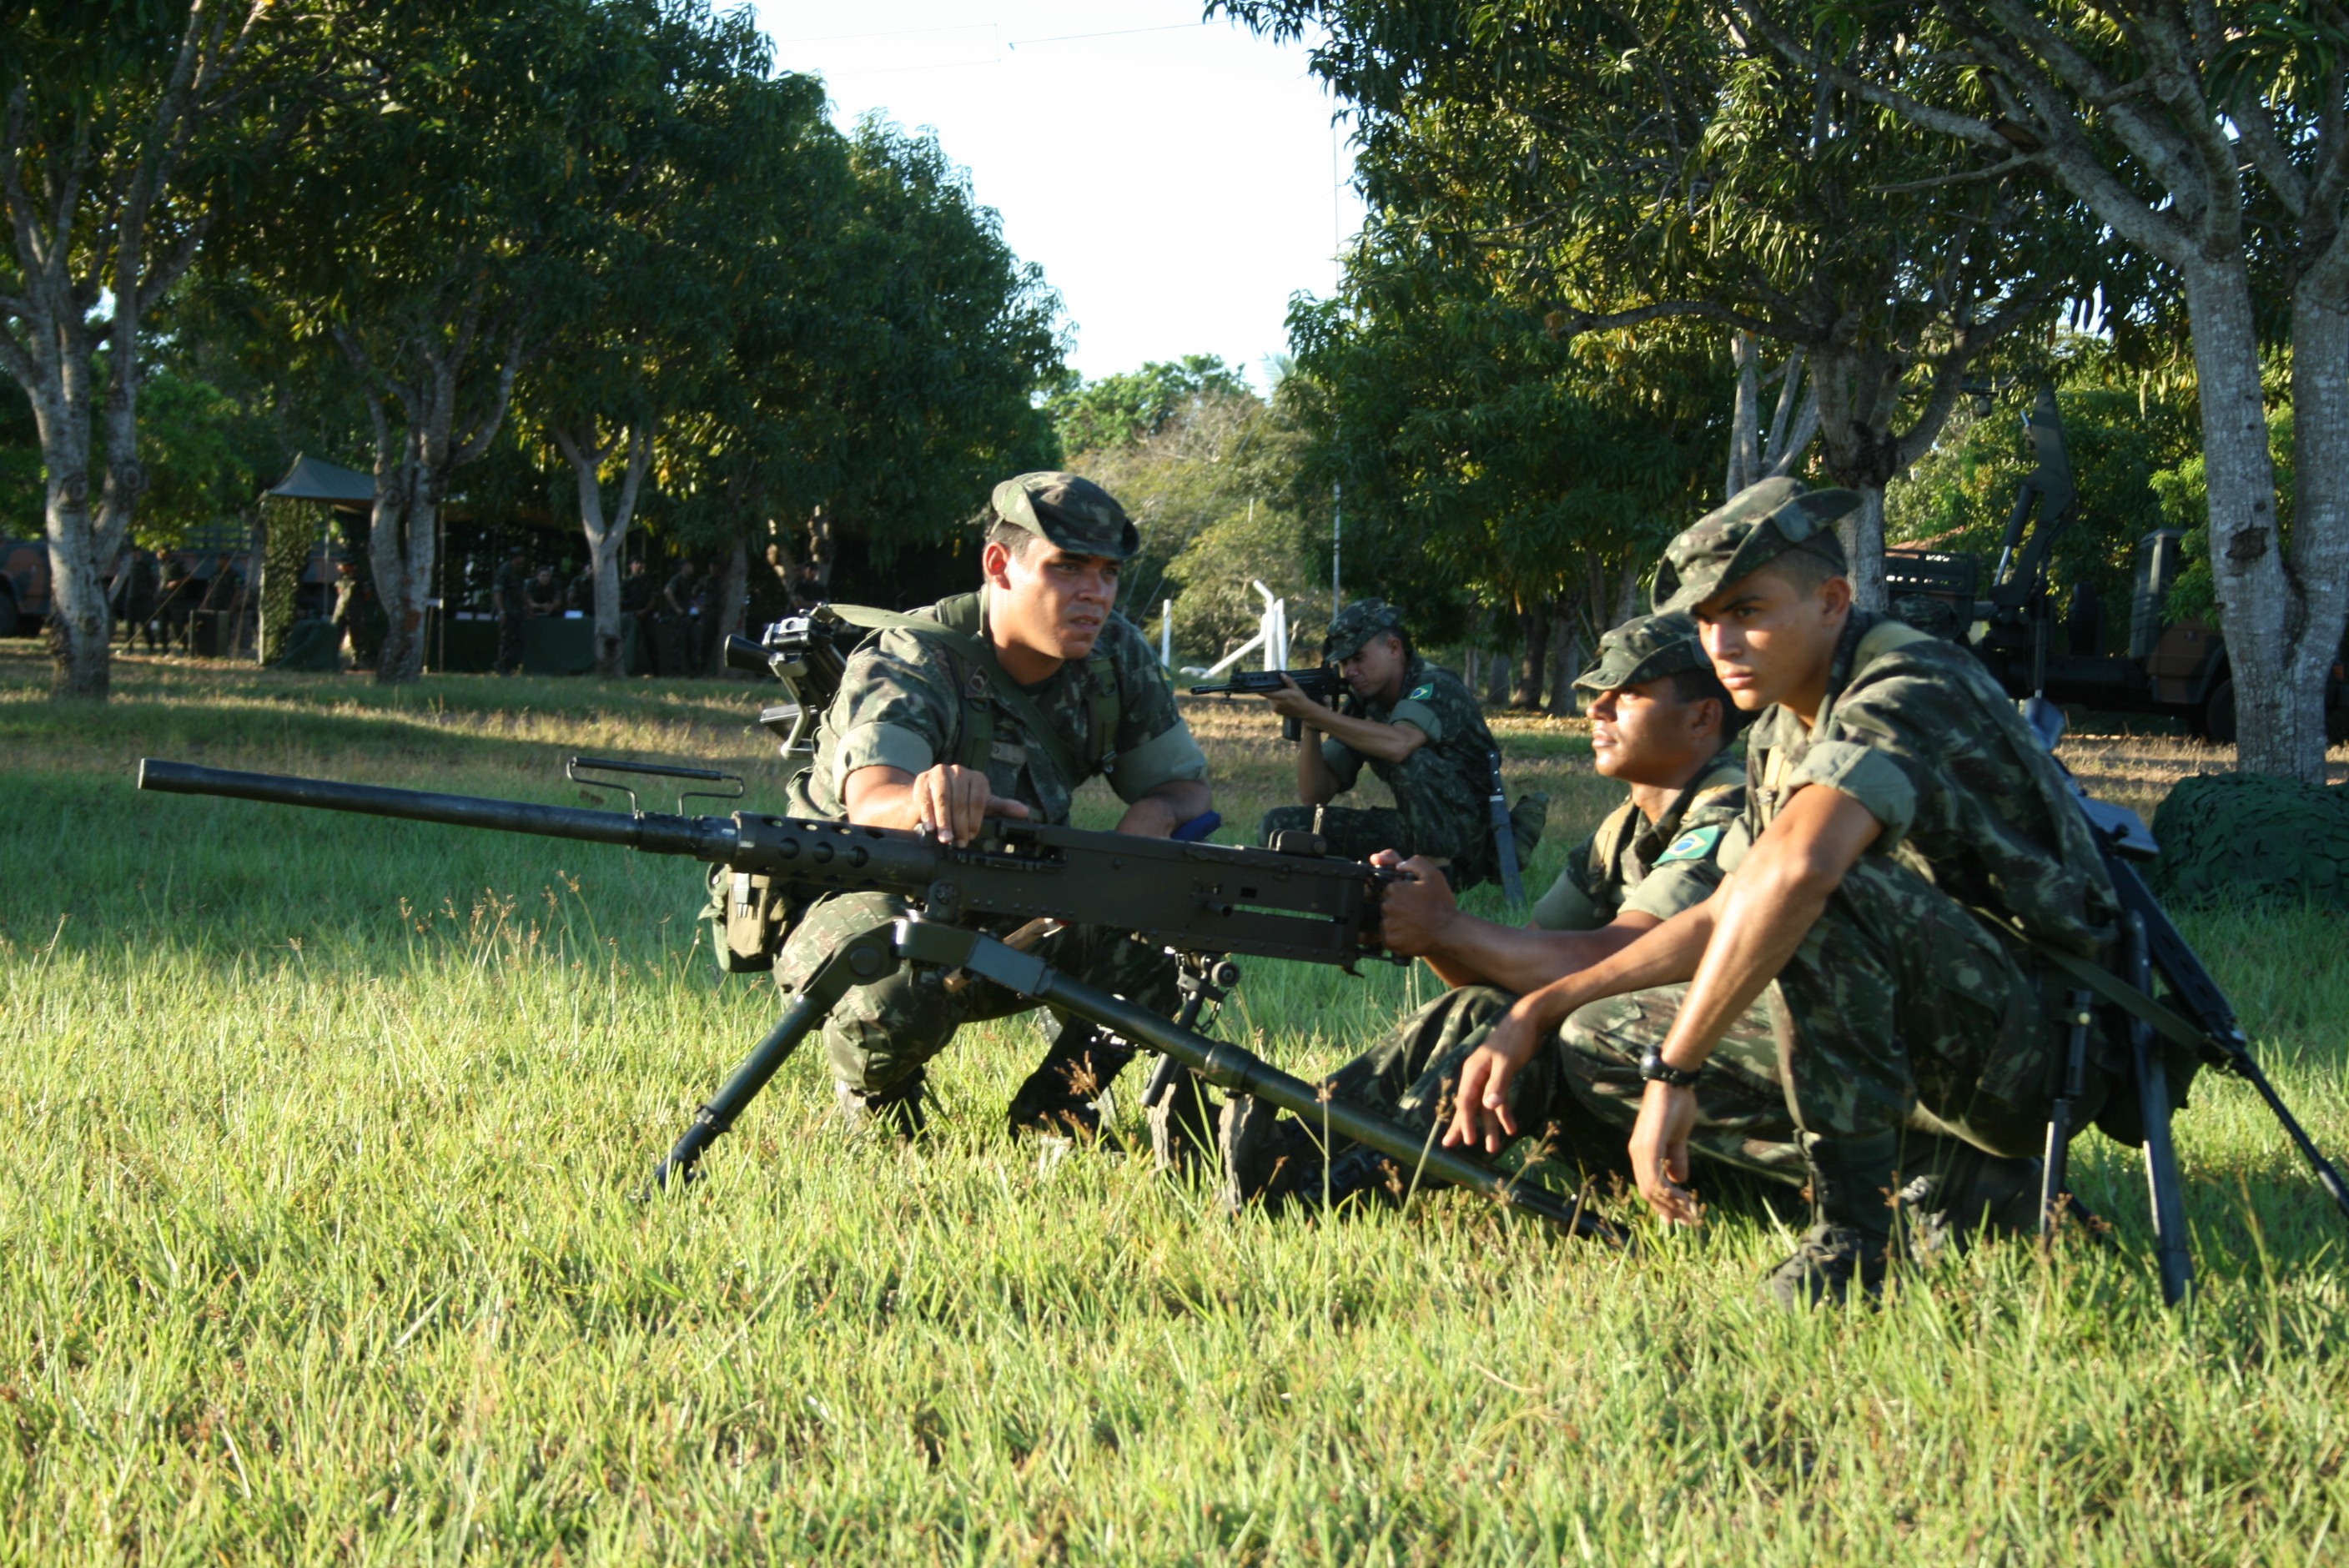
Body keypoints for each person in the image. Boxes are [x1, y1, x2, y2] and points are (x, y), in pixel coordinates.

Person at [1440, 478, 2119, 1307]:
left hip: (2045, 1046)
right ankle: (1952, 1181)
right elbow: (1719, 913)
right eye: (1703, 617)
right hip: (1944, 1023)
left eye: (1748, 609)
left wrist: (1677, 1071)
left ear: (1832, 601)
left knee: (1805, 892)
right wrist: (1543, 1004)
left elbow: (1794, 873)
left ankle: (1852, 1237)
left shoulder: (1905, 684)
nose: (1719, 639)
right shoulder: (1778, 727)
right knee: (1597, 1030)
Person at [1217, 612, 1770, 1206]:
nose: (1596, 711)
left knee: (1555, 1038)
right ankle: (1291, 1145)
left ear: (1703, 717)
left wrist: (1449, 925)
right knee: (1480, 1006)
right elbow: (1515, 968)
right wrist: (1428, 933)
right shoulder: (1625, 828)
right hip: (1646, 1069)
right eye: (1595, 695)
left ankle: (1339, 1191)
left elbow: (1620, 956)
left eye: (1625, 696)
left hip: (1720, 1095)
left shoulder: (1728, 810)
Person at [770, 471, 1213, 1141]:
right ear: (999, 565)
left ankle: (1059, 1105)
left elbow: (1184, 791)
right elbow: (872, 798)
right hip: (866, 905)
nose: (1094, 593)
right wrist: (927, 796)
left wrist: (1133, 846)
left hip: (1011, 899)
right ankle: (882, 1100)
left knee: (1182, 917)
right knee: (893, 974)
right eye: (1067, 568)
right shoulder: (911, 657)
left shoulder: (1115, 655)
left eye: (1108, 573)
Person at [1255, 598, 1526, 889]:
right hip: (1413, 830)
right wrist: (1310, 725)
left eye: (1358, 658)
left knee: (1413, 760)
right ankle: (1336, 889)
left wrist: (1314, 713)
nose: (1349, 672)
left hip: (1468, 841)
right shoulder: (1365, 701)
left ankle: (1439, 879)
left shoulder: (1434, 684)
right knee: (1281, 826)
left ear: (1394, 649)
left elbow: (1400, 745)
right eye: (1344, 662)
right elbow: (1315, 795)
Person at [657, 558, 700, 677]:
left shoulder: (688, 580)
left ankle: (694, 672)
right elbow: (668, 591)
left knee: (692, 644)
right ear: (683, 567)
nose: (692, 568)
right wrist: (676, 608)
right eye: (689, 565)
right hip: (679, 618)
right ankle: (677, 673)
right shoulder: (678, 579)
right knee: (678, 645)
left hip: (687, 617)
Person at [491, 546, 530, 676]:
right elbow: (498, 592)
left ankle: (505, 665)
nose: (523, 559)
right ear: (516, 557)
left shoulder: (518, 572)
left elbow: (522, 592)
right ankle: (503, 667)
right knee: (506, 640)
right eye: (521, 556)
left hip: (518, 611)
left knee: (520, 640)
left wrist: (529, 607)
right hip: (508, 611)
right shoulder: (504, 570)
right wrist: (501, 612)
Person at [618, 557, 656, 673]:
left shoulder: (648, 581)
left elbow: (653, 598)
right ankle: (629, 669)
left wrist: (645, 611)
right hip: (631, 617)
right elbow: (621, 598)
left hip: (646, 616)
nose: (639, 565)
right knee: (630, 644)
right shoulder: (626, 582)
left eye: (641, 563)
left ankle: (655, 671)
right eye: (637, 563)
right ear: (631, 565)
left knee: (651, 643)